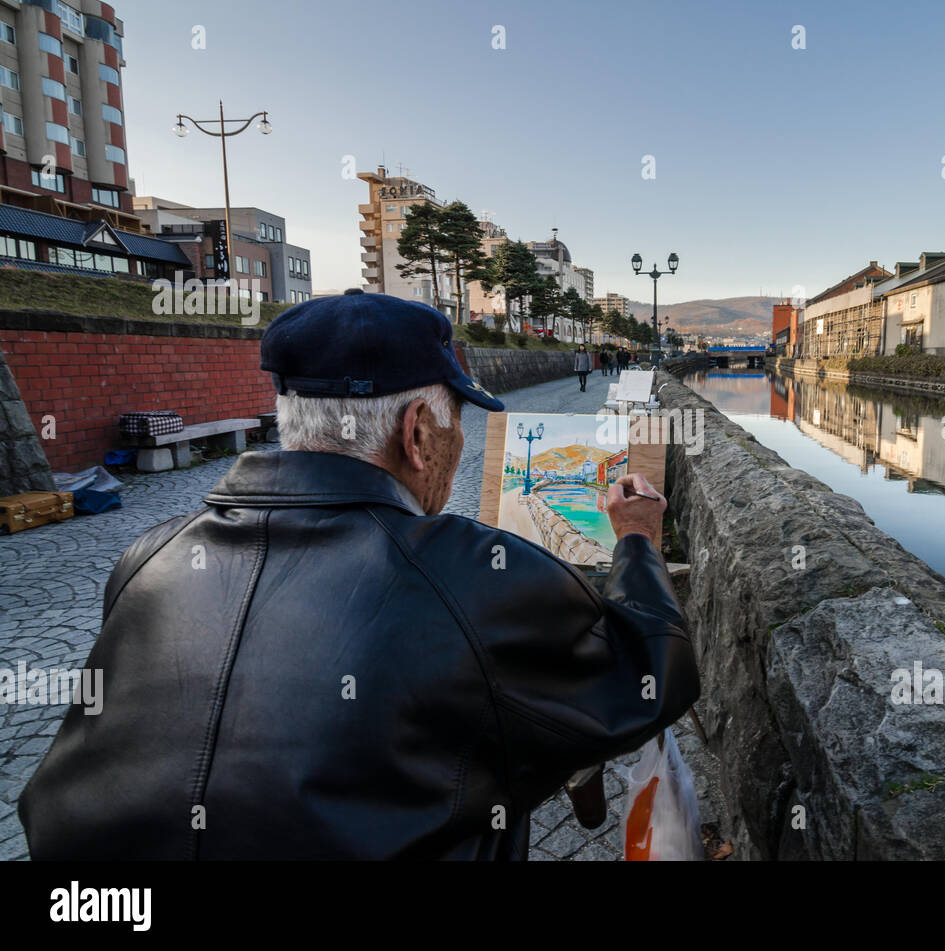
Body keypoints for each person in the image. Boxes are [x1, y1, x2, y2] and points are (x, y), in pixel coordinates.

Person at [18, 289, 700, 860]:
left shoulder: (147, 557)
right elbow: (652, 674)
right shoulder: (466, 573)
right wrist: (636, 538)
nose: (461, 444)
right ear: (417, 432)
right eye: (457, 420)